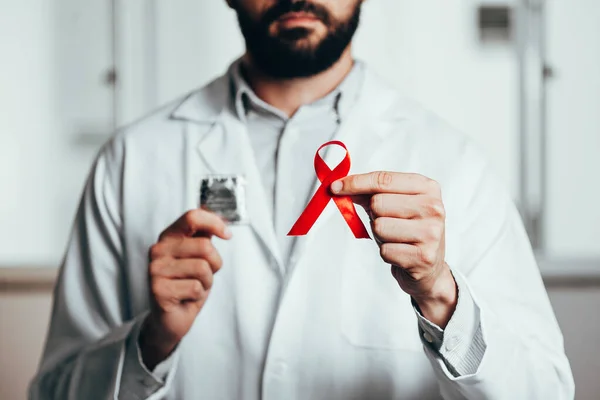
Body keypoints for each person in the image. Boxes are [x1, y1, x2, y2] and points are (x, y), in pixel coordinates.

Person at [30, 1, 574, 399]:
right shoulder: (130, 160)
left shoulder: (455, 163)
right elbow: (53, 390)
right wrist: (150, 344)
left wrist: (441, 298)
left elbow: (544, 391)